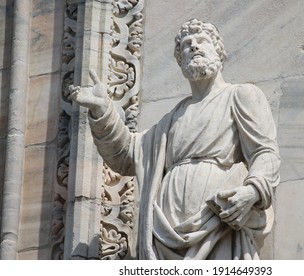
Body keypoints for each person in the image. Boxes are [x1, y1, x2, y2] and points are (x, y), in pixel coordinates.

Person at [70, 19, 280, 260]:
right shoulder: (172, 119)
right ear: (181, 62)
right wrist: (103, 111)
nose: (194, 46)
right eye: (186, 45)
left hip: (216, 223)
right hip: (164, 228)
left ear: (219, 52)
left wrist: (253, 190)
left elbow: (265, 152)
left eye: (202, 41)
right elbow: (126, 153)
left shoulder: (240, 95)